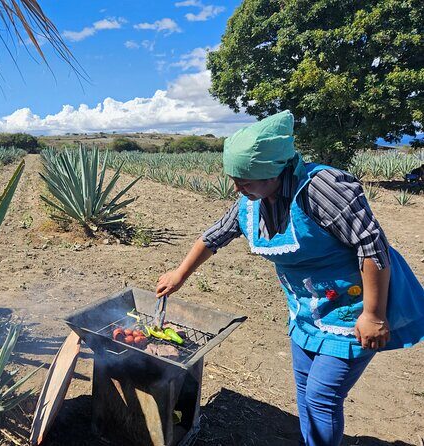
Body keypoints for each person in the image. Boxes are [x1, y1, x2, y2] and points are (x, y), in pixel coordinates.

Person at [156, 110, 424, 446]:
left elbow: (372, 246)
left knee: (322, 398)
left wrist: (373, 315)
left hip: (353, 308)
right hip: (306, 308)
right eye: (234, 178)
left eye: (245, 180)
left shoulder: (322, 189)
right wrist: (180, 274)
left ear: (275, 171)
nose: (237, 187)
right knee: (305, 391)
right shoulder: (252, 199)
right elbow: (216, 235)